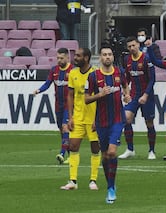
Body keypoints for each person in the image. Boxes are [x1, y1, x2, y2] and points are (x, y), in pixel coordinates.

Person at [85, 45, 130, 204]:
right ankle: (111, 184)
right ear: (100, 57)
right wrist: (99, 94)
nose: (107, 57)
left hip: (118, 119)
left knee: (112, 152)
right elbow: (86, 99)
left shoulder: (120, 72)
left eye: (110, 54)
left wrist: (127, 95)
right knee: (105, 155)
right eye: (104, 55)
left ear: (112, 56)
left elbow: (125, 86)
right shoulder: (93, 76)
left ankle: (111, 189)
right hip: (101, 121)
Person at [60, 47, 100, 190]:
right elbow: (70, 95)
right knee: (73, 146)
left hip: (93, 118)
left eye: (78, 56)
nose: (75, 58)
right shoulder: (73, 73)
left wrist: (98, 118)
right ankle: (73, 181)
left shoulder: (95, 73)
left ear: (86, 58)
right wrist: (70, 117)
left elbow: (100, 96)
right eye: (75, 55)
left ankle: (93, 180)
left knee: (95, 148)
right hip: (77, 117)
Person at [118, 36, 157, 160]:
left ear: (138, 45)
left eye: (133, 45)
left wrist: (145, 95)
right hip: (134, 94)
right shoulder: (126, 59)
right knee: (126, 118)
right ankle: (130, 149)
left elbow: (152, 79)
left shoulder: (146, 58)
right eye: (129, 46)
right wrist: (126, 93)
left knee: (149, 122)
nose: (131, 48)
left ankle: (151, 151)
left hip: (147, 95)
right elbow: (127, 78)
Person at [33, 48, 73, 164]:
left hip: (69, 105)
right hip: (58, 105)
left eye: (61, 58)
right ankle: (71, 156)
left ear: (67, 57)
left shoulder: (73, 71)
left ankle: (61, 154)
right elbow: (47, 84)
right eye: (58, 58)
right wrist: (38, 90)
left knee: (66, 128)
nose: (59, 60)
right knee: (62, 130)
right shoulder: (54, 70)